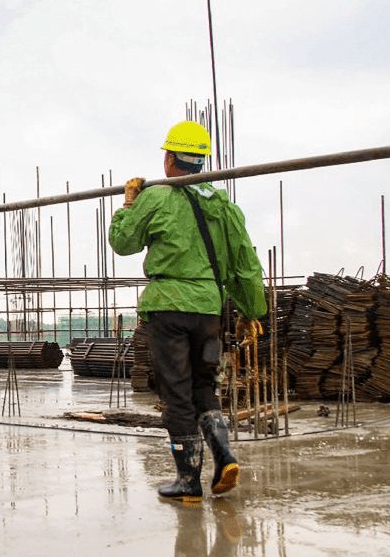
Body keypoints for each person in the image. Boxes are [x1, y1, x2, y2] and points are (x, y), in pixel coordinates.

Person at [108, 120, 266, 502]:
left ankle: (188, 482)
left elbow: (123, 242)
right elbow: (245, 262)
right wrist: (251, 310)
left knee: (176, 393)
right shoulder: (223, 206)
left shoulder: (158, 196)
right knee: (202, 386)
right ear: (201, 162)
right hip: (209, 310)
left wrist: (129, 203)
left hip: (169, 309)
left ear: (169, 159)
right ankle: (224, 456)